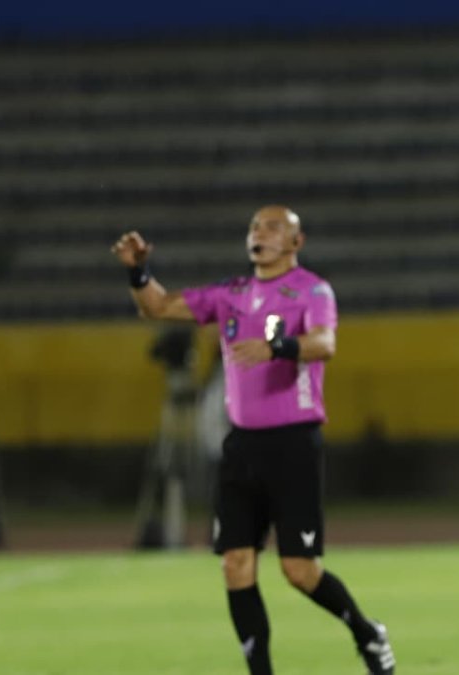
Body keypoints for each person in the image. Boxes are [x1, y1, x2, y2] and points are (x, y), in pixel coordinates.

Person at [110, 205, 395, 675]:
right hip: (241, 445)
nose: (259, 233)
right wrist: (139, 271)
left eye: (272, 227)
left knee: (299, 571)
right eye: (254, 227)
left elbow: (324, 343)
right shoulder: (231, 294)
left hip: (294, 444)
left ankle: (367, 632)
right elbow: (158, 307)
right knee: (235, 565)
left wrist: (275, 347)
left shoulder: (313, 290)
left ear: (296, 243)